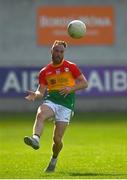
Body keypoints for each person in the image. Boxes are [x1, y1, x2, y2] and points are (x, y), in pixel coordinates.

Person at [24, 40, 88, 172]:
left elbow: (84, 83)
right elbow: (41, 91)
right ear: (51, 51)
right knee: (41, 113)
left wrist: (71, 89)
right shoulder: (45, 71)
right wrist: (35, 95)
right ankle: (35, 139)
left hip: (66, 105)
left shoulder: (71, 67)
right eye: (56, 51)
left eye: (61, 51)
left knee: (57, 139)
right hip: (52, 101)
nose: (58, 53)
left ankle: (54, 159)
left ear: (64, 53)